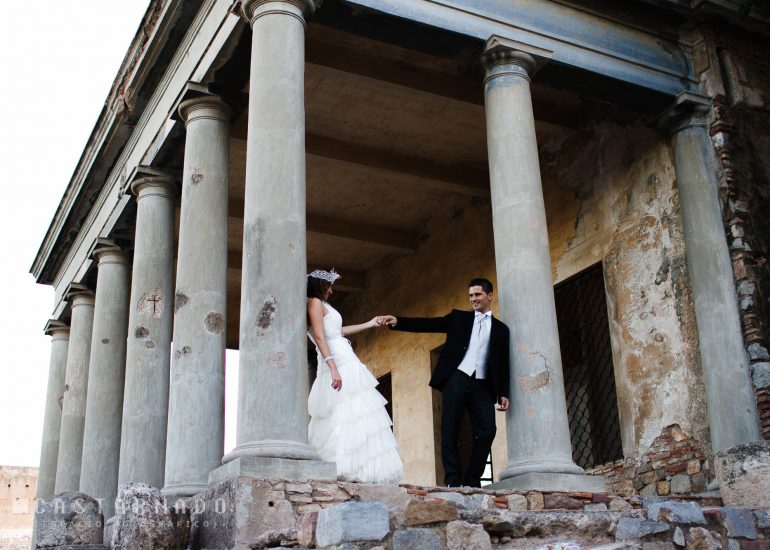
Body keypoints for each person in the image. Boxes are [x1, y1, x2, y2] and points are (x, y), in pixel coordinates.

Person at [382, 278, 510, 487]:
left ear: (489, 295)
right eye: (470, 295)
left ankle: (472, 479)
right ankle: (452, 479)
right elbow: (429, 324)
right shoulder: (459, 318)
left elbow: (503, 363)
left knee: (488, 430)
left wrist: (503, 393)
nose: (473, 299)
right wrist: (398, 321)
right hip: (457, 379)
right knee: (450, 428)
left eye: (477, 294)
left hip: (483, 386)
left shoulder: (501, 329)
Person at [306, 269, 404, 484]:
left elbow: (338, 332)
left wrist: (370, 322)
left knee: (357, 410)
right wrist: (332, 367)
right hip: (336, 360)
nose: (331, 290)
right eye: (328, 286)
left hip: (345, 357)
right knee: (341, 410)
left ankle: (360, 467)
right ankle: (341, 465)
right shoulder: (313, 302)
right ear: (320, 285)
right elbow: (320, 337)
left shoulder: (326, 305)